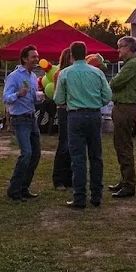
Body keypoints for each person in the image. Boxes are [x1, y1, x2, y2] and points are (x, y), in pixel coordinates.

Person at [54, 41, 111, 209]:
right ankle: (96, 196)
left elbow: (58, 99)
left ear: (71, 54)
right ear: (86, 53)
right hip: (94, 114)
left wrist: (70, 100)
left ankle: (79, 197)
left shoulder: (65, 73)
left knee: (78, 157)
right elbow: (107, 95)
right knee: (96, 156)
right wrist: (95, 102)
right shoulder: (97, 72)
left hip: (75, 115)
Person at [2, 45, 42, 202]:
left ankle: (24, 188)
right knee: (26, 153)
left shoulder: (33, 76)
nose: (36, 59)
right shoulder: (14, 76)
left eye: (37, 56)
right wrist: (18, 94)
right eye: (33, 57)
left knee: (35, 154)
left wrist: (38, 98)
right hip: (20, 119)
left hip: (32, 118)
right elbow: (5, 98)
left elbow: (31, 98)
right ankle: (14, 189)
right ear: (25, 58)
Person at [107, 36, 136, 199]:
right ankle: (125, 179)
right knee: (120, 145)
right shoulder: (130, 64)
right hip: (123, 107)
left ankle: (129, 184)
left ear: (128, 47)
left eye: (120, 47)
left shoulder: (132, 65)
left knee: (124, 146)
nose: (118, 50)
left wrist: (114, 83)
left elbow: (114, 83)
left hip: (126, 108)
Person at [51, 48, 74, 191]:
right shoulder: (60, 74)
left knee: (72, 146)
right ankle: (58, 178)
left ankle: (68, 177)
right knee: (64, 144)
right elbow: (57, 96)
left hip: (73, 110)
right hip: (64, 110)